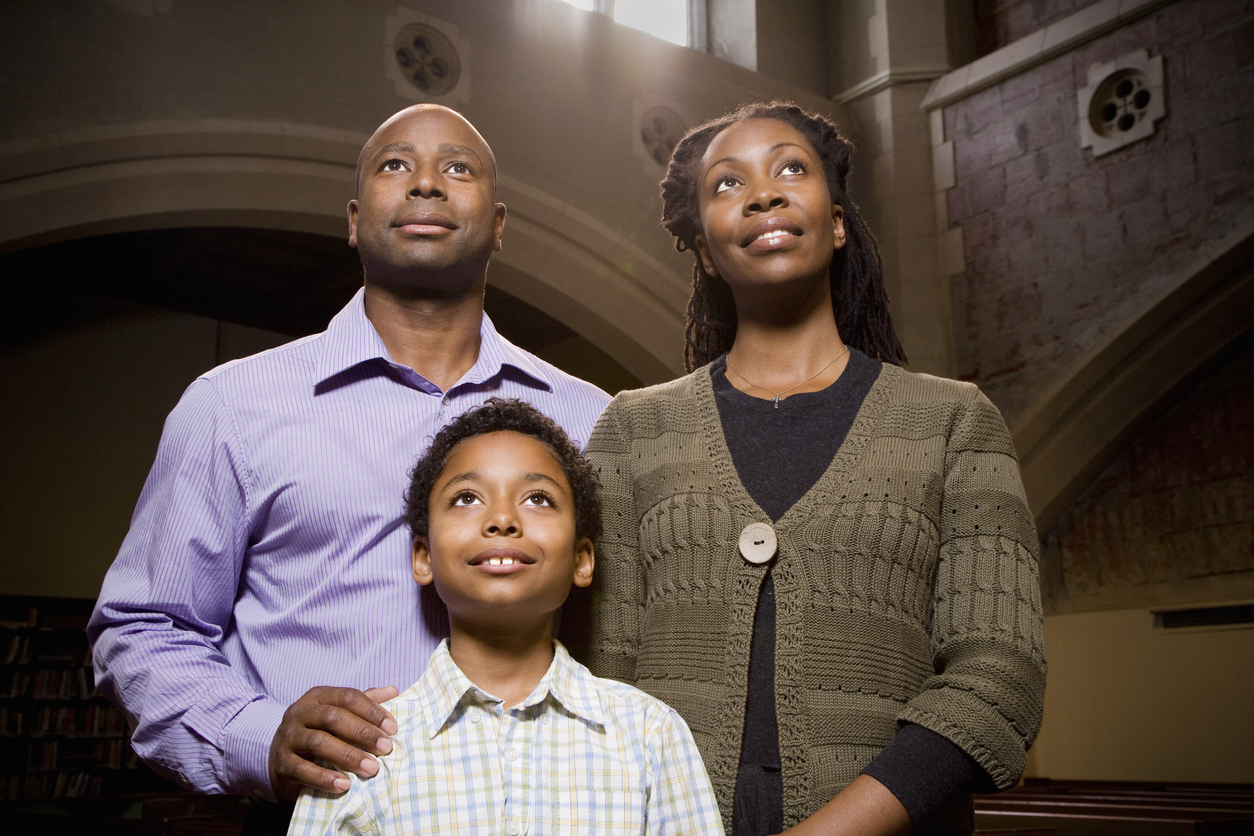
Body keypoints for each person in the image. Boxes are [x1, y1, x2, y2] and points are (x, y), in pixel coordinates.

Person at [87, 105, 610, 827]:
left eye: (458, 168)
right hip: (310, 815)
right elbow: (143, 627)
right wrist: (259, 735)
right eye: (396, 164)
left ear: (498, 225)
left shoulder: (592, 420)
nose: (426, 183)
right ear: (355, 219)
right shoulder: (232, 406)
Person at [577, 102, 1046, 836]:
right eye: (728, 184)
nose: (763, 192)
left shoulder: (954, 422)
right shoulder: (632, 429)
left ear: (835, 224)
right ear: (704, 249)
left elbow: (998, 678)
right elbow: (601, 675)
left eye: (791, 168)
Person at [287, 398, 724, 835]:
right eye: (465, 498)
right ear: (423, 558)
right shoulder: (366, 749)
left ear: (581, 560)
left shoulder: (649, 734)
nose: (501, 519)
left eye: (538, 498)